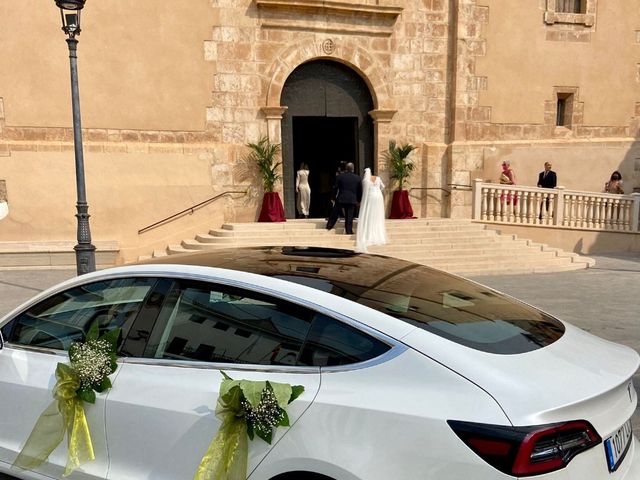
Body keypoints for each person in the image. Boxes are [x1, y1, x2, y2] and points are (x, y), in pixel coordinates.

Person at [356, 168, 387, 253]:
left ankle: (370, 233)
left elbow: (365, 193)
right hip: (378, 197)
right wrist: (378, 191)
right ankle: (378, 233)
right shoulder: (378, 178)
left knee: (370, 214)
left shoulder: (365, 180)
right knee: (377, 215)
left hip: (371, 197)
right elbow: (383, 187)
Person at [326, 162, 362, 235]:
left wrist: (333, 197)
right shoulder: (358, 178)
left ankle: (329, 226)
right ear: (353, 169)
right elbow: (360, 190)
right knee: (349, 216)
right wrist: (358, 200)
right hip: (352, 199)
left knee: (334, 213)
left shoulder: (340, 176)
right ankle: (349, 231)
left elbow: (335, 188)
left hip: (341, 198)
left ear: (346, 168)